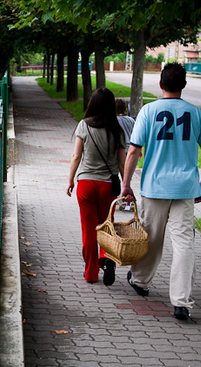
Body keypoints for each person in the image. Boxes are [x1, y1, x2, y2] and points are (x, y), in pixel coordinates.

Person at [120, 63, 201, 320]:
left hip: (154, 186)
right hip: (185, 188)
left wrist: (126, 183)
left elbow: (133, 150)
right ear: (184, 85)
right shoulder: (196, 113)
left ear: (161, 85)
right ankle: (182, 301)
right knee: (185, 243)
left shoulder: (149, 111)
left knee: (151, 237)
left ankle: (140, 281)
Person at [67, 87, 127, 286]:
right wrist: (126, 185)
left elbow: (76, 156)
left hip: (86, 184)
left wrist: (70, 180)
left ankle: (91, 273)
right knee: (106, 225)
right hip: (108, 186)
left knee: (89, 230)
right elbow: (121, 162)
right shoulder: (118, 130)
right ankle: (107, 257)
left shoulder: (83, 126)